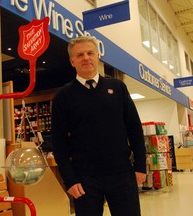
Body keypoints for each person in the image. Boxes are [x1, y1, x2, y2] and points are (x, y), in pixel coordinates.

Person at [51, 35, 146, 216]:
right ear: (72, 61)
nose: (85, 57)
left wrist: (140, 166)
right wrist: (69, 179)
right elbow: (59, 142)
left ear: (97, 57)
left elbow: (134, 127)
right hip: (84, 179)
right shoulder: (63, 97)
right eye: (79, 55)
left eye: (90, 53)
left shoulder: (117, 87)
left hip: (122, 174)